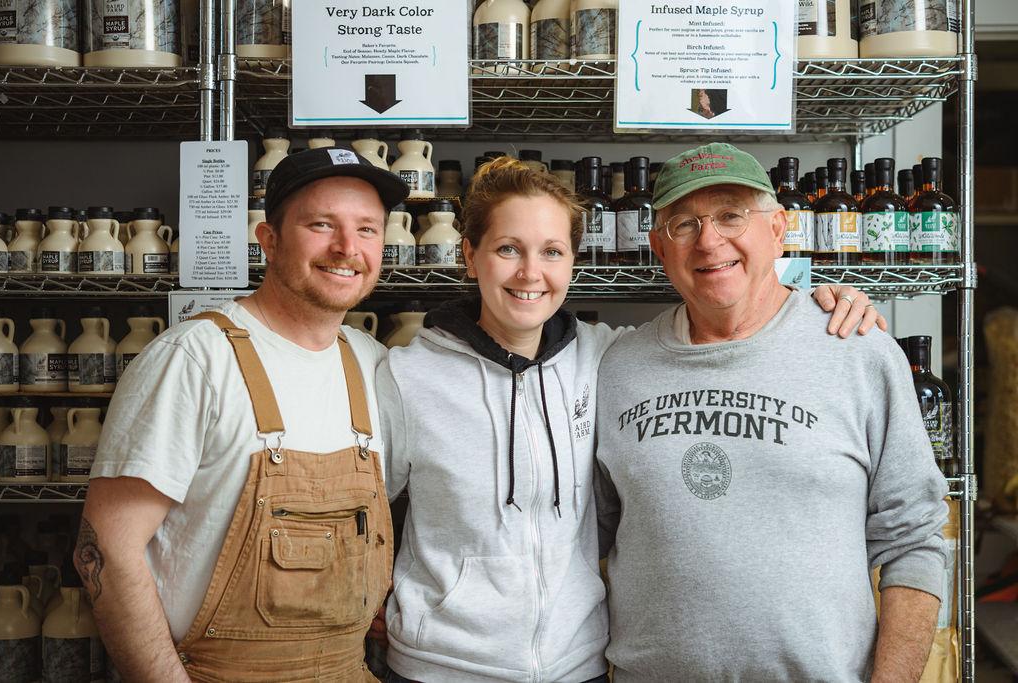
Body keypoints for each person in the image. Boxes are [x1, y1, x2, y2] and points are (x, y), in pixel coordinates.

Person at [373, 156, 885, 683]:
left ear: (573, 260)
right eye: (508, 249)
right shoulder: (409, 374)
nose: (530, 273)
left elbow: (735, 329)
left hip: (577, 665)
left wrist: (827, 301)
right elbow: (362, 511)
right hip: (438, 666)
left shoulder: (609, 359)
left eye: (552, 251)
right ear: (470, 256)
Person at [594, 143, 949, 681]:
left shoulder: (858, 350)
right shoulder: (617, 367)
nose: (709, 241)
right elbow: (589, 534)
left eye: (731, 215)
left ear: (779, 228)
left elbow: (914, 539)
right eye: (683, 224)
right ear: (658, 249)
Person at [74, 148, 407, 682]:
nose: (348, 248)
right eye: (321, 225)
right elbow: (107, 550)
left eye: (367, 229)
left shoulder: (371, 362)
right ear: (269, 240)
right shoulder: (194, 358)